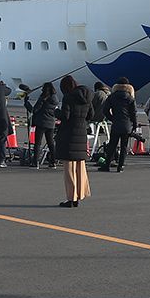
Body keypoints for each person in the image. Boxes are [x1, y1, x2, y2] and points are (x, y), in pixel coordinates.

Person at [55, 75, 92, 207]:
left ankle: (71, 198)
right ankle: (79, 196)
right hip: (81, 133)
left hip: (69, 134)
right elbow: (91, 115)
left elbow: (65, 116)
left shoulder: (68, 97)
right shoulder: (87, 97)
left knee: (69, 168)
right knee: (80, 166)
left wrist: (56, 112)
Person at [100, 77, 138, 172]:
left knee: (112, 145)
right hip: (126, 125)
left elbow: (105, 110)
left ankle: (107, 165)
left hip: (116, 124)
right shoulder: (130, 98)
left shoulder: (112, 97)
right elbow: (133, 113)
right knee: (124, 146)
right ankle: (120, 166)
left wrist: (112, 118)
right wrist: (134, 124)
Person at [30, 81, 58, 168]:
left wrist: (27, 103)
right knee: (51, 143)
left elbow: (35, 110)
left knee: (38, 143)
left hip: (41, 122)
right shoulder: (55, 99)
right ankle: (53, 162)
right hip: (51, 123)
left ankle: (35, 162)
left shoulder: (43, 98)